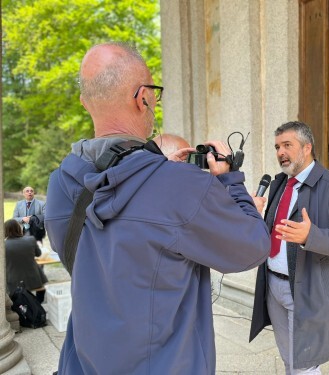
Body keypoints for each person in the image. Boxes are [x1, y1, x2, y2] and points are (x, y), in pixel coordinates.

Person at [44, 42, 270, 375]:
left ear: (84, 103)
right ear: (143, 98)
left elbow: (102, 259)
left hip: (82, 364)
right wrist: (231, 183)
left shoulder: (60, 185)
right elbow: (252, 247)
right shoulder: (184, 186)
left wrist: (159, 168)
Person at [249, 121, 329, 374]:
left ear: (306, 147)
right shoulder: (280, 184)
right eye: (277, 146)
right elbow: (274, 235)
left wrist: (311, 236)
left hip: (308, 291)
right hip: (273, 286)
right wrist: (255, 216)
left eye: (287, 145)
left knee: (305, 364)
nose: (280, 152)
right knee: (289, 359)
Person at [153, 132, 268, 214]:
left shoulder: (145, 192)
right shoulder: (186, 205)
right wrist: (250, 210)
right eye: (187, 159)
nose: (194, 168)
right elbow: (242, 235)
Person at [4, 219, 48, 302]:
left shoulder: (3, 245)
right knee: (41, 290)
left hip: (13, 283)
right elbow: (38, 254)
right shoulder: (30, 240)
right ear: (19, 228)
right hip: (34, 279)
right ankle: (37, 305)